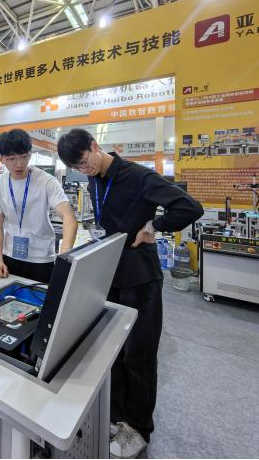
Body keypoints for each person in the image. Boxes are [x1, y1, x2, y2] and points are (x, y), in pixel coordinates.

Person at [57, 129, 204, 459]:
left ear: (95, 146)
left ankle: (138, 428)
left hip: (140, 279)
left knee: (139, 355)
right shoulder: (94, 178)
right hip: (109, 273)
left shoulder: (139, 176)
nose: (84, 169)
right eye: (77, 167)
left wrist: (154, 227)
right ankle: (116, 417)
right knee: (111, 352)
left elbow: (189, 208)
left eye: (84, 161)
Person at [0, 129, 78, 284]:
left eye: (24, 157)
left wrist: (64, 256)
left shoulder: (47, 181)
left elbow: (68, 217)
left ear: (30, 154)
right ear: (1, 159)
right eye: (12, 159)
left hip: (41, 258)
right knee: (8, 296)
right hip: (9, 256)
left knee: (41, 297)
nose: (19, 164)